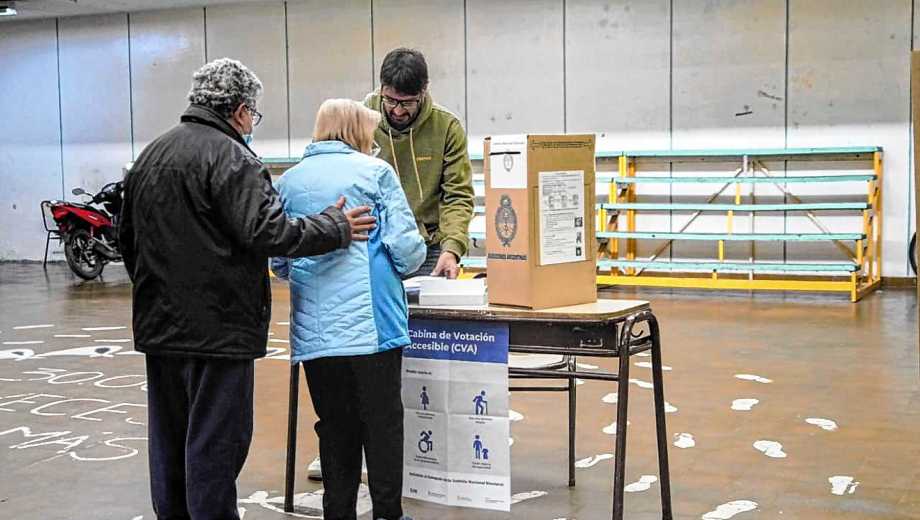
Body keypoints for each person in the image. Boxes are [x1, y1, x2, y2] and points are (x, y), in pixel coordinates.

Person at [119, 59, 375, 520]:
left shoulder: (150, 156)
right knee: (216, 443)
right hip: (219, 331)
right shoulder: (234, 160)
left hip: (160, 328)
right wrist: (334, 226)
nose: (251, 124)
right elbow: (273, 234)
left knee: (170, 441)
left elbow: (127, 241)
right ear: (240, 111)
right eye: (253, 115)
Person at [271, 98, 425, 520]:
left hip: (316, 333)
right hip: (373, 328)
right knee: (383, 426)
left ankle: (338, 512)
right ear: (357, 131)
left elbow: (279, 260)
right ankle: (387, 515)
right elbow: (407, 251)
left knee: (335, 427)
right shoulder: (375, 173)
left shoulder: (288, 182)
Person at [365, 47, 474, 279]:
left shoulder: (446, 127)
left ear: (424, 90)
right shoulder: (359, 120)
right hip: (374, 248)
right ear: (381, 87)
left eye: (407, 103)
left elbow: (457, 195)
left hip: (428, 249)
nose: (397, 110)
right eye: (390, 100)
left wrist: (452, 248)